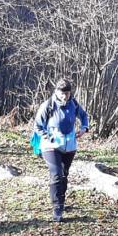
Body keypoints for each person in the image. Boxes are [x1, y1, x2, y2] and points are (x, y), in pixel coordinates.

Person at [34, 79, 89, 222]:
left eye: (67, 93)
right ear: (56, 92)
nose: (65, 96)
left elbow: (84, 116)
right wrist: (48, 137)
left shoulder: (74, 104)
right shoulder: (48, 105)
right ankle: (57, 207)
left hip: (69, 146)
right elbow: (38, 126)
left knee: (64, 174)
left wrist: (84, 128)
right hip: (50, 146)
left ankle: (61, 201)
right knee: (56, 174)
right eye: (62, 93)